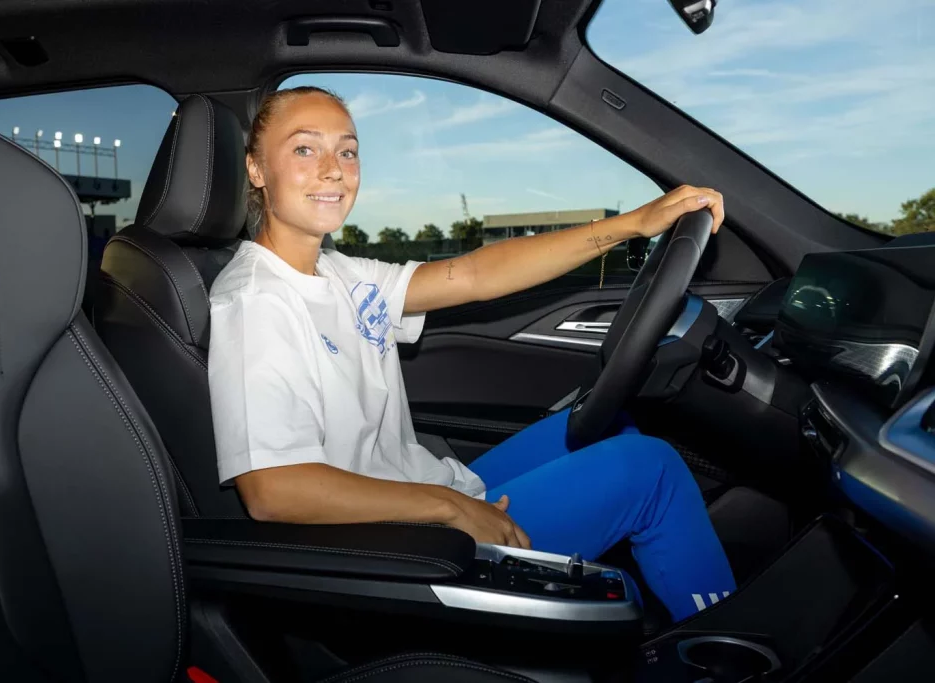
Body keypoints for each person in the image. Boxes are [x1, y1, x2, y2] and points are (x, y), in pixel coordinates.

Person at [207, 86, 736, 622]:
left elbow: (476, 274)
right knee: (653, 472)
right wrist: (451, 509)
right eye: (304, 149)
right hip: (403, 545)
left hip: (423, 496)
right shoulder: (256, 300)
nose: (333, 169)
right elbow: (274, 489)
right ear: (256, 169)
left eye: (347, 150)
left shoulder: (337, 272)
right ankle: (723, 642)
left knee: (607, 425)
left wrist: (633, 224)